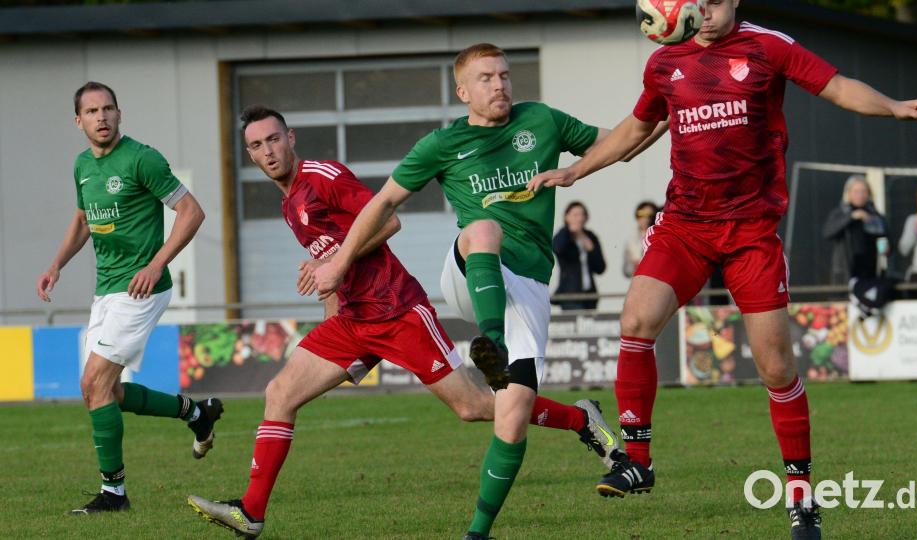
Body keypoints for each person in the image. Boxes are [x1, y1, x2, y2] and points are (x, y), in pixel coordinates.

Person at [527, 2, 917, 538]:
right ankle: (638, 461)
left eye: (718, 1)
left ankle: (801, 496)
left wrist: (895, 106)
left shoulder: (768, 46)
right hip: (685, 227)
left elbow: (836, 86)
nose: (709, 11)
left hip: (750, 233)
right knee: (635, 323)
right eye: (699, 1)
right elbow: (636, 127)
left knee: (775, 369)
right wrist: (577, 170)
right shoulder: (664, 62)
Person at [186, 106, 618, 539]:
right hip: (353, 320)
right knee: (279, 393)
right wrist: (328, 308)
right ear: (250, 154)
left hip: (396, 312)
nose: (269, 151)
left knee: (473, 407)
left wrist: (334, 261)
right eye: (257, 146)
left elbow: (388, 221)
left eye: (274, 139)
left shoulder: (324, 176)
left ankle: (581, 421)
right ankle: (251, 512)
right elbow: (333, 262)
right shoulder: (289, 200)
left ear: (291, 138)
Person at [311, 43, 664, 540]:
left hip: (531, 285)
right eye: (485, 78)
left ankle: (477, 533)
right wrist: (340, 261)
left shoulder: (542, 120)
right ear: (463, 91)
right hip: (469, 274)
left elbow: (623, 143)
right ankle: (492, 344)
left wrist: (673, 106)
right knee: (483, 228)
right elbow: (384, 201)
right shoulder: (442, 144)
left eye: (503, 75)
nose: (498, 85)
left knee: (513, 415)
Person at [35, 82, 217, 514]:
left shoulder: (142, 158)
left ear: (119, 114)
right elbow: (83, 219)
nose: (102, 117)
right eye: (92, 111)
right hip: (107, 291)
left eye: (109, 109)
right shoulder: (82, 166)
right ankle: (195, 413)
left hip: (141, 289)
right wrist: (56, 264)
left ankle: (114, 494)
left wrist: (156, 263)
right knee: (107, 394)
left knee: (93, 385)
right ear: (78, 120)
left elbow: (192, 212)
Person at [822, 175, 889, 285]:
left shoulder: (876, 217)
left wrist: (887, 248)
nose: (860, 195)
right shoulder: (840, 213)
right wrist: (851, 217)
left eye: (863, 191)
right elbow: (828, 232)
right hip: (846, 274)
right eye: (856, 191)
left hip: (870, 274)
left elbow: (886, 240)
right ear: (848, 193)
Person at [553, 201, 606, 310]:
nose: (579, 218)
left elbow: (600, 268)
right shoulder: (563, 235)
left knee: (589, 326)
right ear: (567, 217)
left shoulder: (590, 236)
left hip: (590, 295)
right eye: (575, 215)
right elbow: (557, 248)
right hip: (570, 295)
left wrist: (590, 247)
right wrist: (568, 230)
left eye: (582, 214)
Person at [623, 201, 659, 278]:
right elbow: (626, 271)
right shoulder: (631, 241)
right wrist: (634, 266)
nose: (646, 218)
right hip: (639, 283)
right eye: (642, 214)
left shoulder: (661, 238)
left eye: (650, 215)